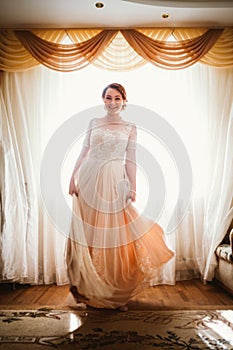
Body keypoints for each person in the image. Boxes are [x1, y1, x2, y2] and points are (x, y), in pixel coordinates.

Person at [66, 83, 174, 310]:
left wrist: (133, 187)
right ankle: (90, 291)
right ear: (103, 100)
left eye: (117, 98)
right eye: (108, 97)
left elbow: (131, 159)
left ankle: (114, 292)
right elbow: (83, 152)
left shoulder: (130, 127)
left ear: (124, 101)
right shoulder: (93, 123)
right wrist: (72, 178)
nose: (112, 102)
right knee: (90, 233)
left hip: (115, 180)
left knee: (115, 236)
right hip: (88, 179)